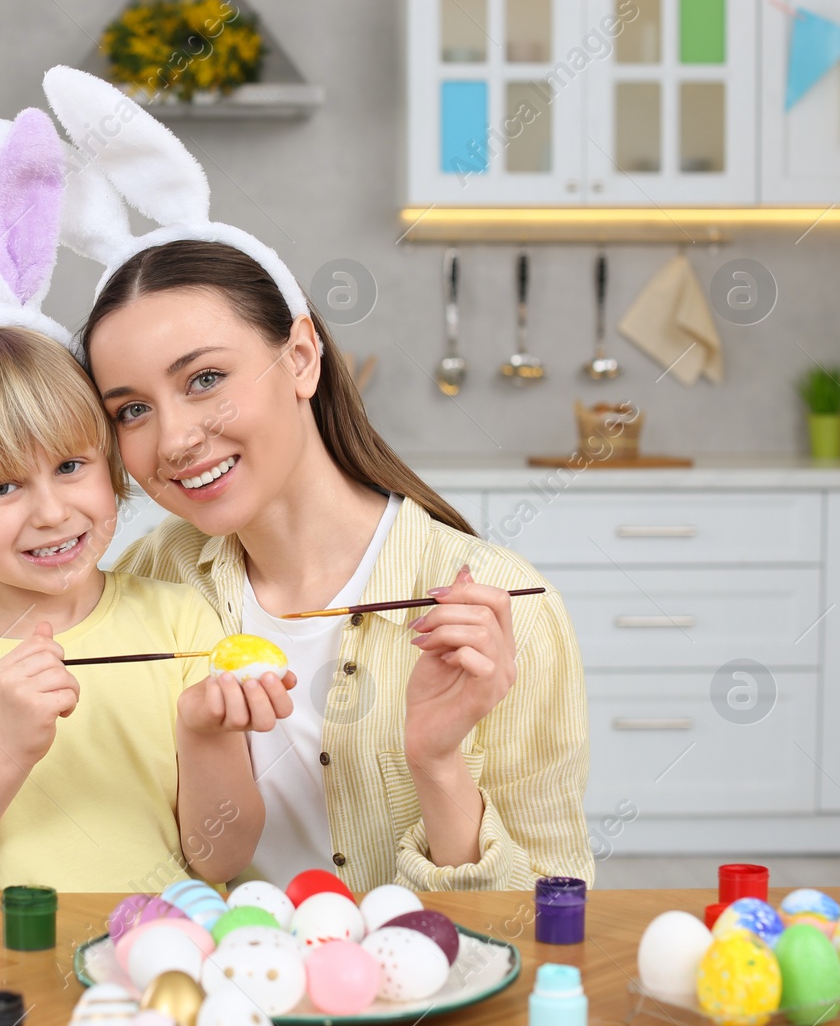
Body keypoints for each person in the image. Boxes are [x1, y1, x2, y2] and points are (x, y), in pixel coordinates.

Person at [39, 65, 593, 892]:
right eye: (130, 410)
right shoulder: (149, 581)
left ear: (300, 356)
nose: (176, 438)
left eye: (203, 379)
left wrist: (438, 765)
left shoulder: (500, 608)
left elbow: (558, 916)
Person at [0, 103, 294, 893]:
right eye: (0, 486)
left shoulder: (180, 621)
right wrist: (9, 748)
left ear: (109, 461)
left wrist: (202, 732)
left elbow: (222, 858)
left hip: (172, 961)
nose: (52, 511)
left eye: (69, 466)